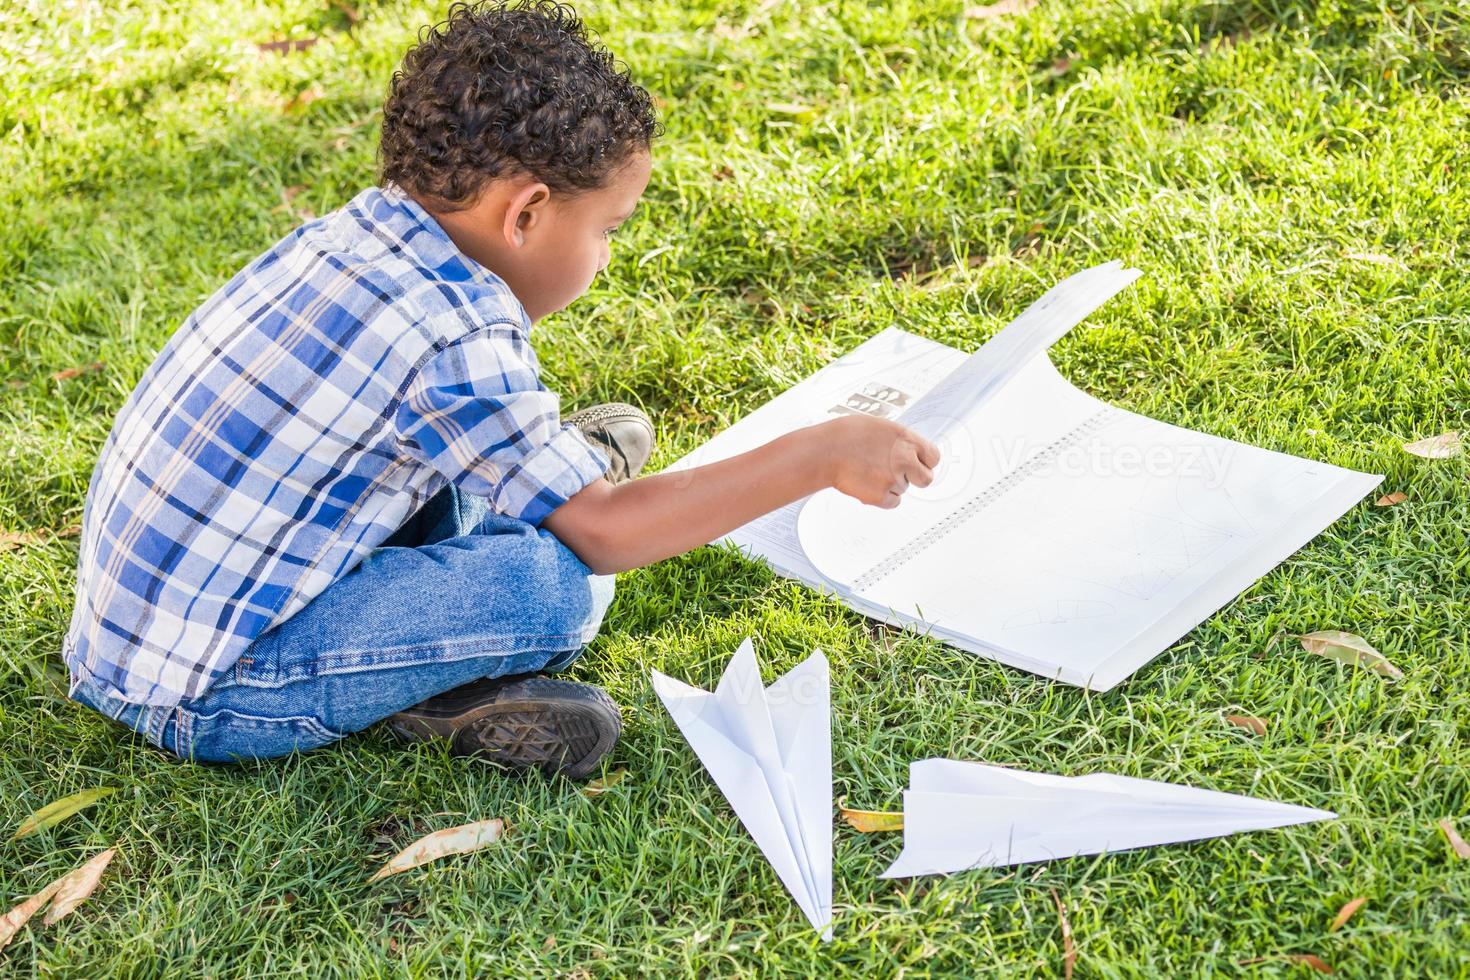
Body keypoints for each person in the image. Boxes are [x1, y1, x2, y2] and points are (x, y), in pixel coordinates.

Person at [63, 0, 938, 778]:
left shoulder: (356, 234)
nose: (606, 257)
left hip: (141, 632)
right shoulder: (456, 334)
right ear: (524, 215)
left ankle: (542, 486)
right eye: (606, 231)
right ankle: (416, 690)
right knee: (552, 586)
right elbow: (606, 536)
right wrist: (814, 455)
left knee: (499, 496)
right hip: (213, 693)